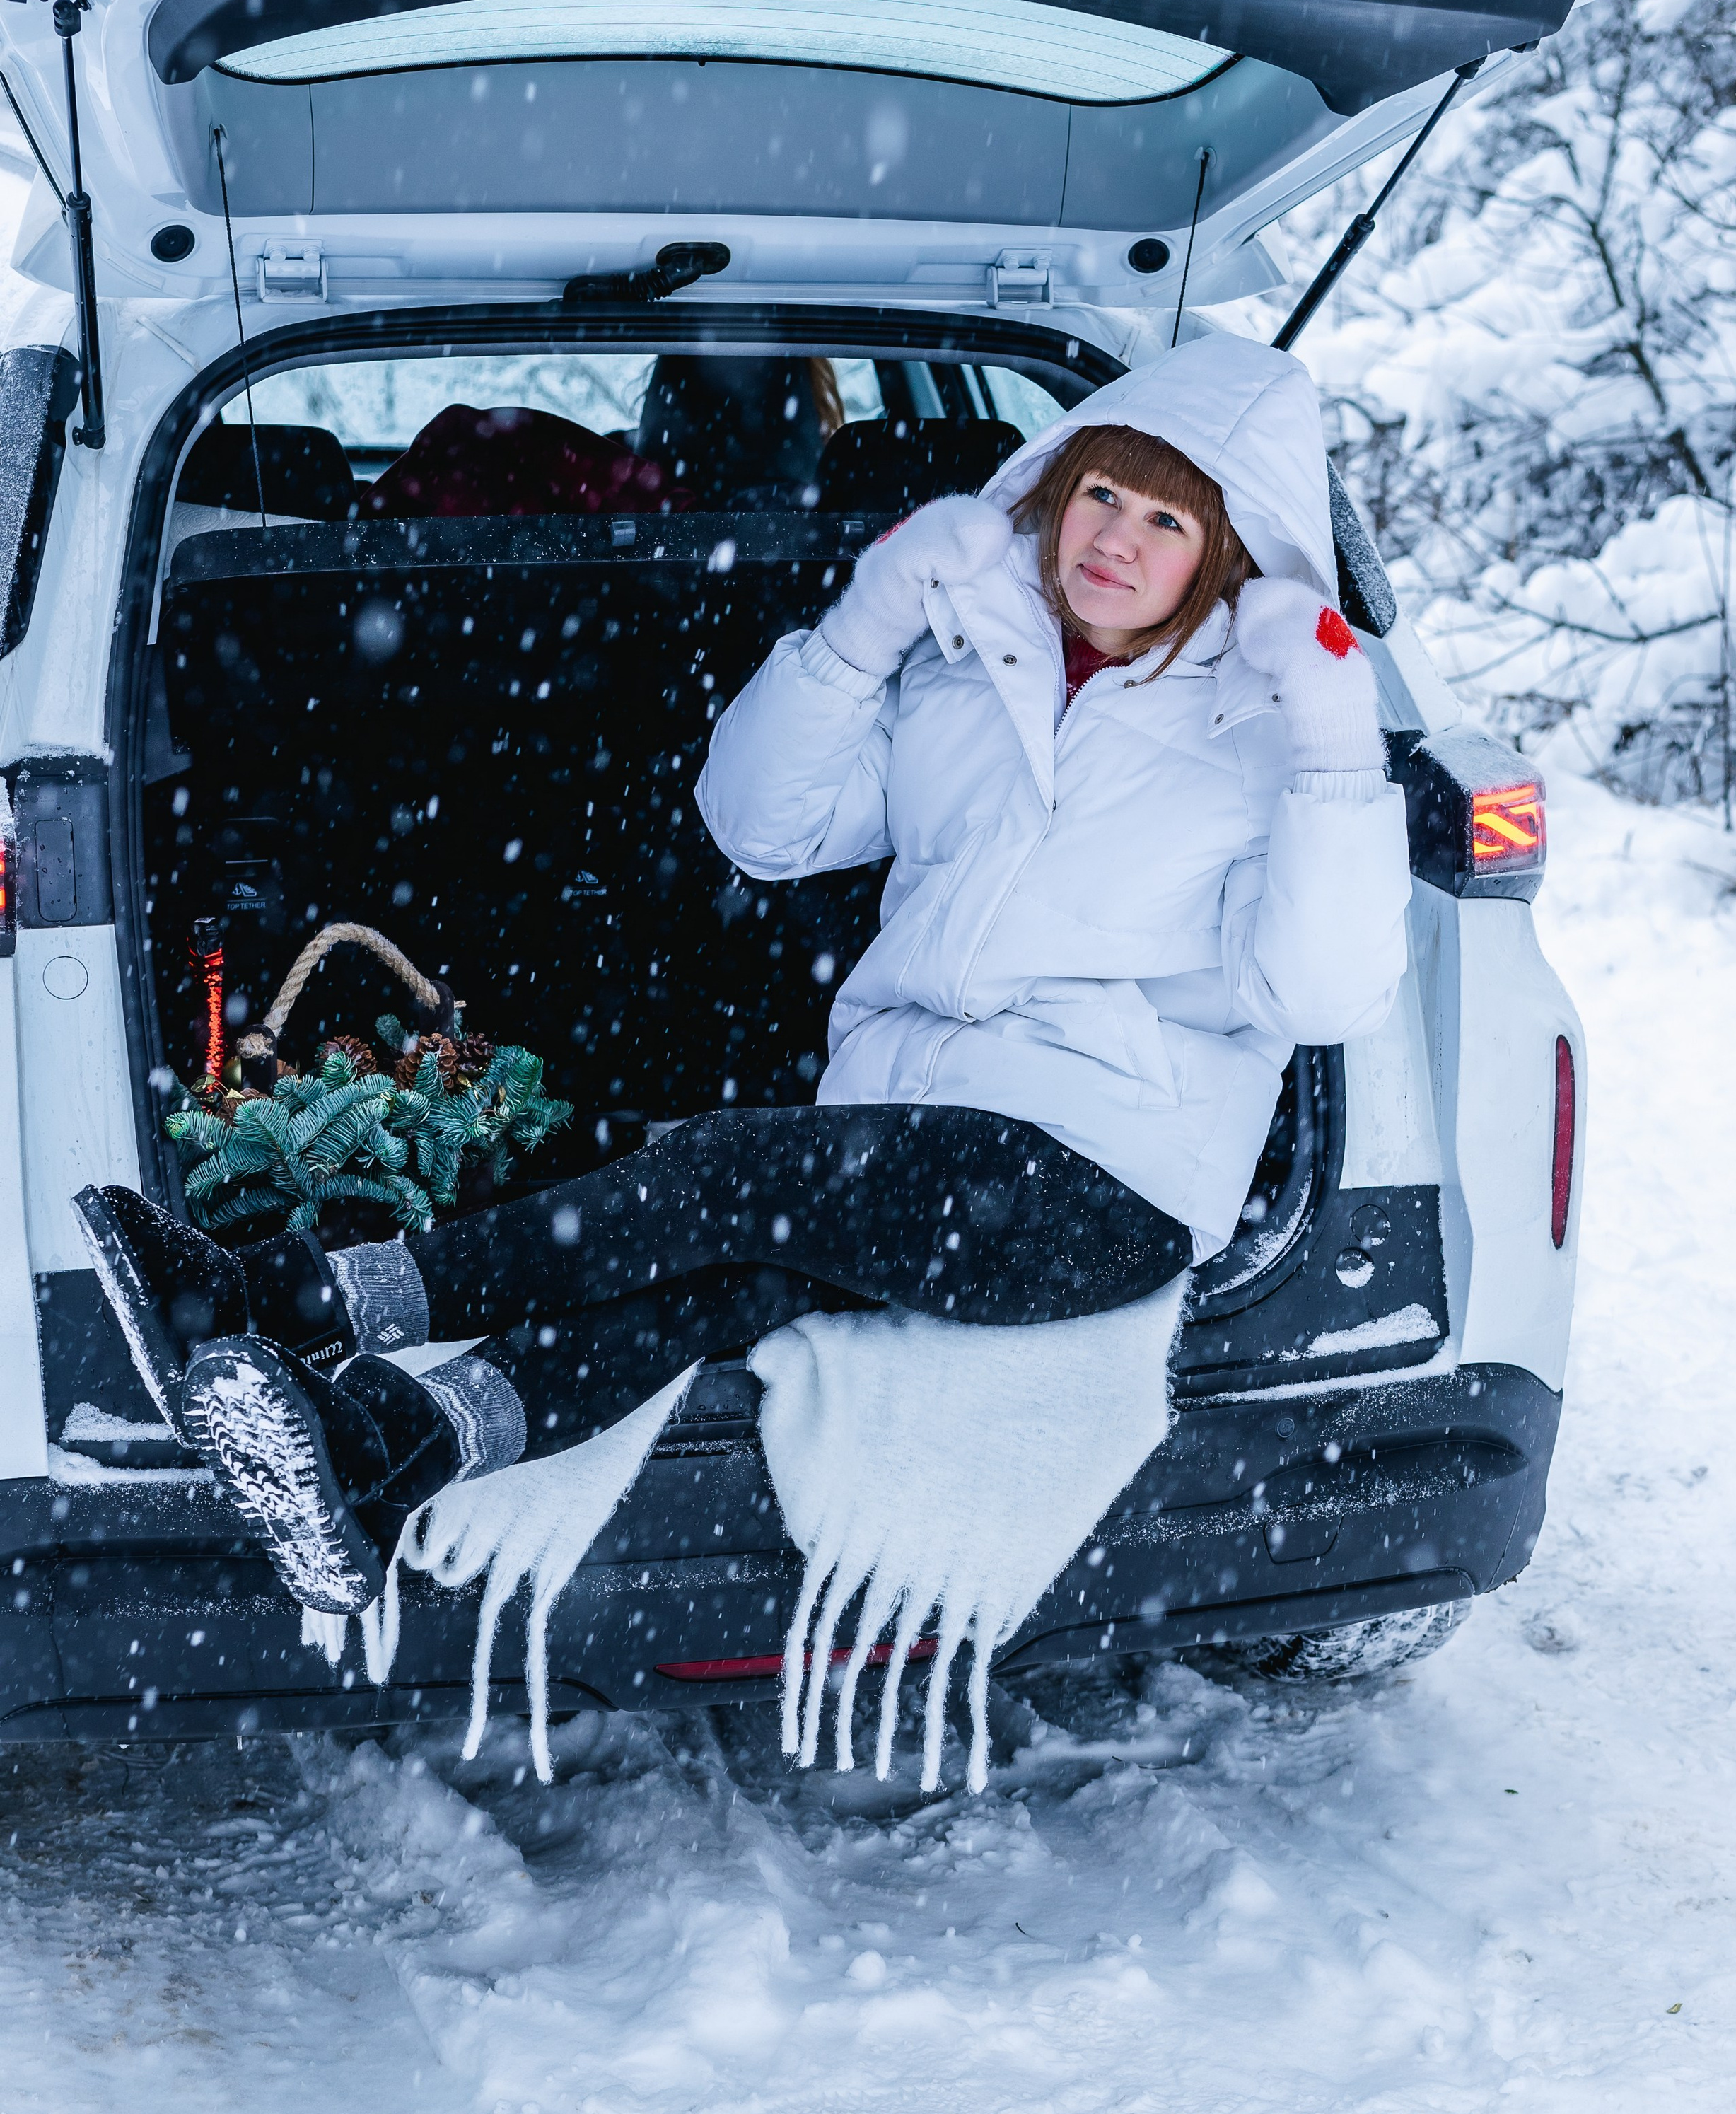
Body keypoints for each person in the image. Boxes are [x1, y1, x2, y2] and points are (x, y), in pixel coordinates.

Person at [77, 335, 1412, 1618]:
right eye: (1104, 491)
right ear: (1057, 488)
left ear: (1228, 551)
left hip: (1104, 1179)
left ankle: (286, 1298)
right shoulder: (972, 675)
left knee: (730, 1170)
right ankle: (389, 1458)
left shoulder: (1267, 733)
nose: (1115, 537)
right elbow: (758, 828)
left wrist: (1340, 736)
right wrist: (866, 621)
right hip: (919, 1135)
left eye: (1167, 521)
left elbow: (1321, 998)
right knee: (724, 1279)